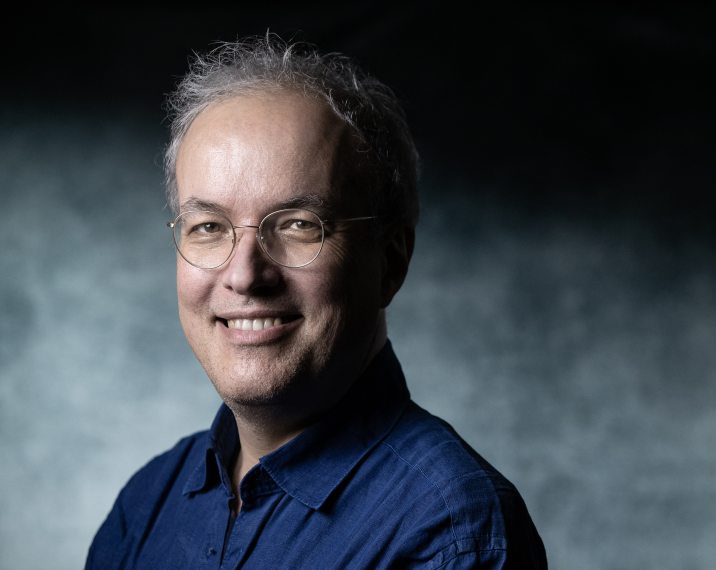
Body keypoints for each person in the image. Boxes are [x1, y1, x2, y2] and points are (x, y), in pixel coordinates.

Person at [86, 36, 547, 569]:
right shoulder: (147, 505)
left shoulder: (450, 533)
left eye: (300, 225)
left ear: (389, 262)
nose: (245, 275)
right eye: (208, 226)